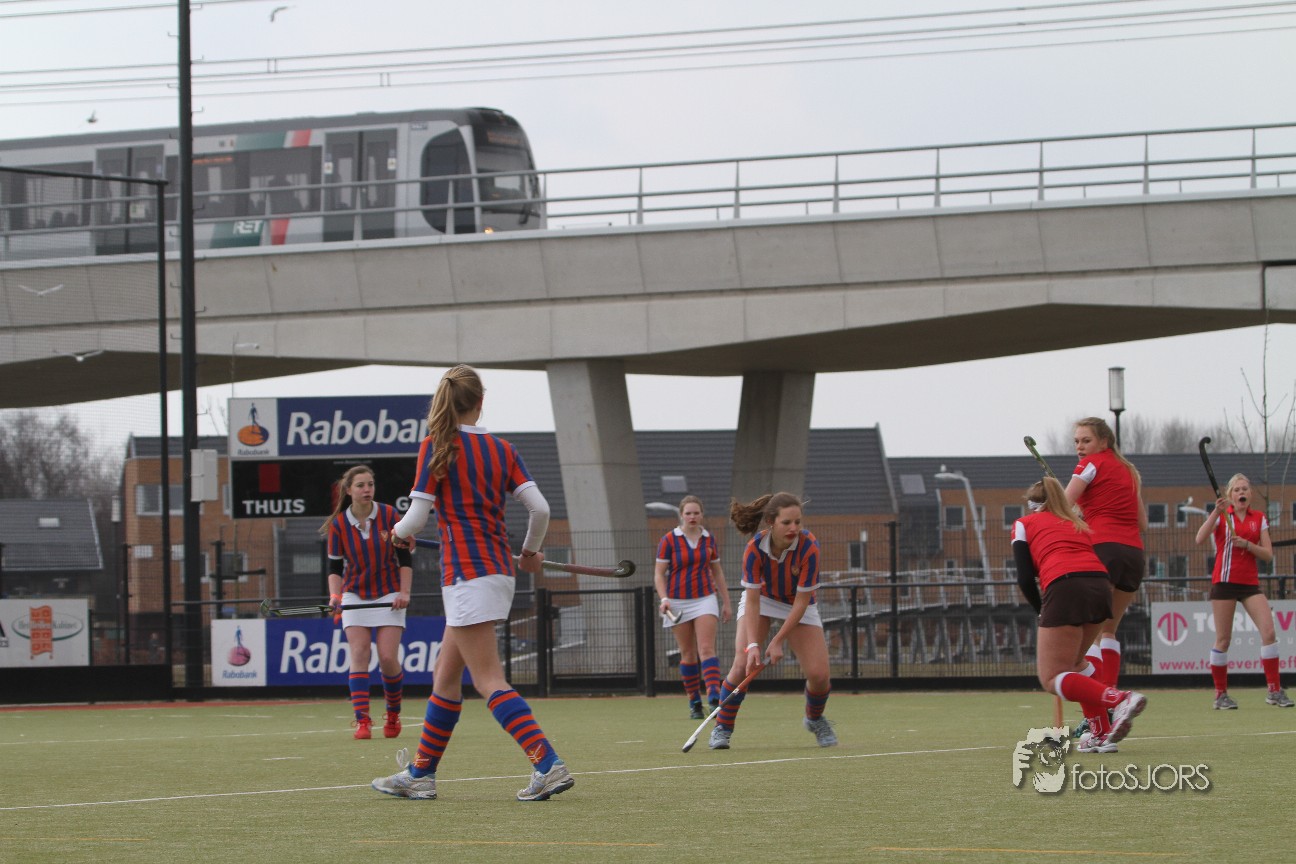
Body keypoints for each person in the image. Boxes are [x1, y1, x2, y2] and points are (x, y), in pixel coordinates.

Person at [372, 365, 574, 802]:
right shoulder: (503, 449)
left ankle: (547, 764)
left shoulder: (436, 445)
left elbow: (416, 517)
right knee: (445, 678)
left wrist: (397, 534)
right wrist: (529, 552)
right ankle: (421, 774)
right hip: (497, 570)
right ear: (481, 402)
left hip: (466, 575)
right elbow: (540, 510)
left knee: (488, 680)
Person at [1013, 477, 1147, 753]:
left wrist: (1041, 611)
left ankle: (1120, 699)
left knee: (1051, 677)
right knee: (1076, 663)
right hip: (1099, 586)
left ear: (1033, 504)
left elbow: (1025, 577)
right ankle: (1100, 733)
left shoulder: (1023, 524)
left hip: (1066, 586)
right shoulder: (1077, 523)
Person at [709, 492, 836, 750]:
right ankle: (722, 727)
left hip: (797, 604)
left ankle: (814, 718)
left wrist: (777, 640)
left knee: (819, 675)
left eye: (797, 522)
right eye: (786, 522)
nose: (793, 528)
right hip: (763, 600)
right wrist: (754, 644)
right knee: (743, 663)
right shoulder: (754, 549)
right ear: (771, 522)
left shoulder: (809, 547)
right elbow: (753, 601)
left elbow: (801, 602)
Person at [321, 465, 413, 740]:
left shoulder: (389, 515)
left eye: (370, 484)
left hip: (389, 594)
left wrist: (404, 593)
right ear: (348, 490)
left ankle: (393, 714)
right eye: (360, 485)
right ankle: (362, 721)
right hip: (354, 594)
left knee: (387, 657)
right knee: (359, 653)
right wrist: (335, 596)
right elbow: (334, 567)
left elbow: (405, 559)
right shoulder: (339, 525)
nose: (367, 489)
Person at [1064, 417, 1146, 715]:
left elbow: (1063, 505)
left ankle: (1102, 704)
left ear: (1104, 442)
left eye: (1086, 440)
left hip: (1103, 550)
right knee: (1108, 630)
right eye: (1076, 441)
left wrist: (1076, 513)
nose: (1080, 447)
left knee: (1090, 632)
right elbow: (1142, 522)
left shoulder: (1089, 465)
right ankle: (1113, 700)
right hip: (1133, 554)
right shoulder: (1129, 471)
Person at [1195, 473, 1292, 709]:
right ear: (1230, 495)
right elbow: (1199, 538)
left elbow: (1268, 555)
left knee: (1269, 632)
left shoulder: (1259, 518)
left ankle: (1274, 690)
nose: (1242, 493)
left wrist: (1247, 545)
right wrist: (1215, 513)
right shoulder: (1222, 516)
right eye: (1237, 489)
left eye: (1245, 489)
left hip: (1249, 584)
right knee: (1223, 639)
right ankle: (1220, 695)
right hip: (1224, 582)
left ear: (1250, 494)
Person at [654, 495, 733, 719]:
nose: (692, 517)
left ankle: (714, 697)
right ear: (681, 515)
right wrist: (664, 599)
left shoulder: (708, 539)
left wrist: (726, 602)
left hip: (704, 598)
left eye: (696, 513)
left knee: (706, 648)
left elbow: (717, 572)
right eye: (688, 513)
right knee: (688, 653)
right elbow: (659, 574)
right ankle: (694, 702)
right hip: (677, 601)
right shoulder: (669, 540)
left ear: (702, 515)